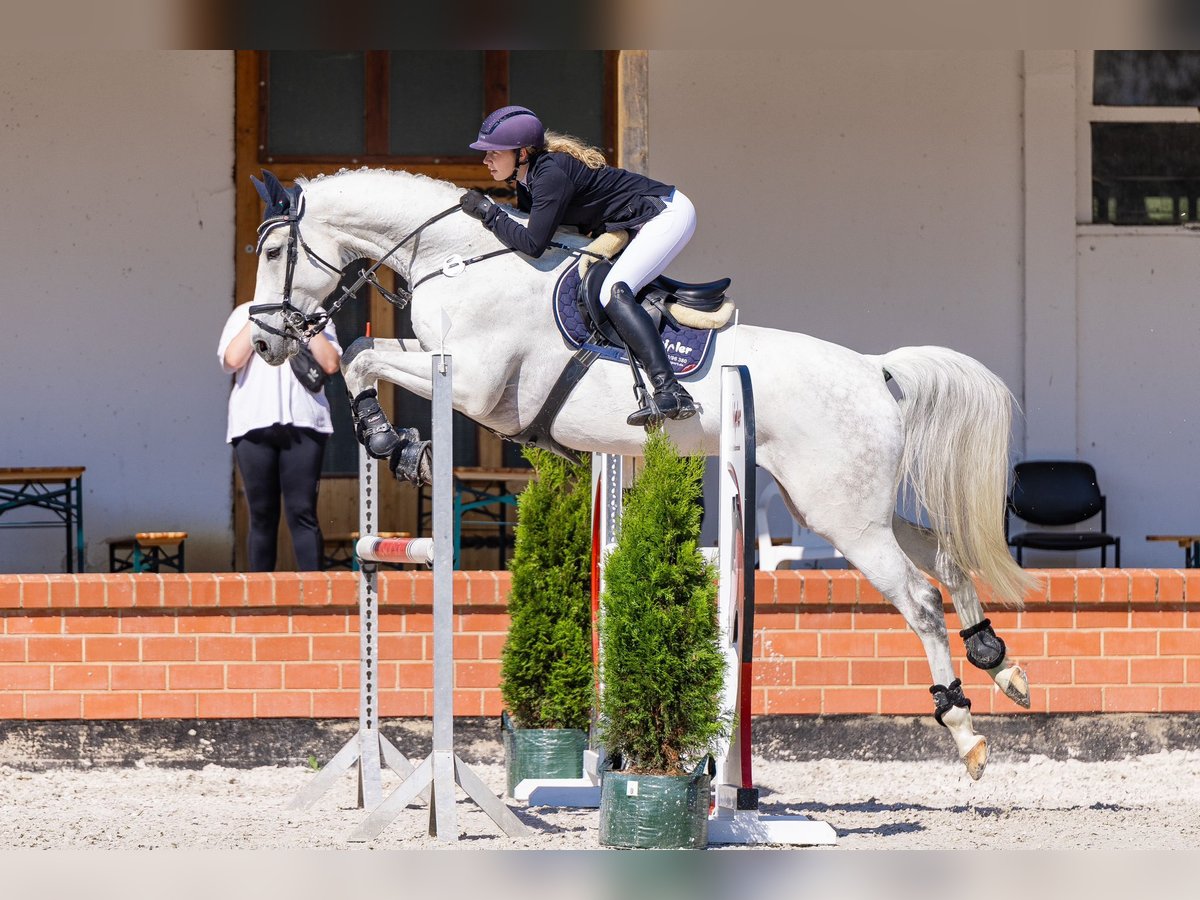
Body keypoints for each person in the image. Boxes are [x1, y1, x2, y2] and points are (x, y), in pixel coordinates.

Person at [459, 105, 698, 427]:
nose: (485, 160)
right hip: (633, 223)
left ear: (523, 152)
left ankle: (671, 390)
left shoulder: (550, 175)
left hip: (665, 215)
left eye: (493, 153)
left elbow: (532, 244)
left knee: (614, 292)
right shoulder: (527, 180)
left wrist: (489, 213)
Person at [218, 302, 341, 571]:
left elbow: (331, 363)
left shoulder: (315, 311)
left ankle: (316, 599)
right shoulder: (244, 312)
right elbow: (231, 360)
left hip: (305, 423)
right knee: (262, 515)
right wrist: (259, 317)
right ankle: (260, 602)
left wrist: (306, 321)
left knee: (303, 512)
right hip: (253, 424)